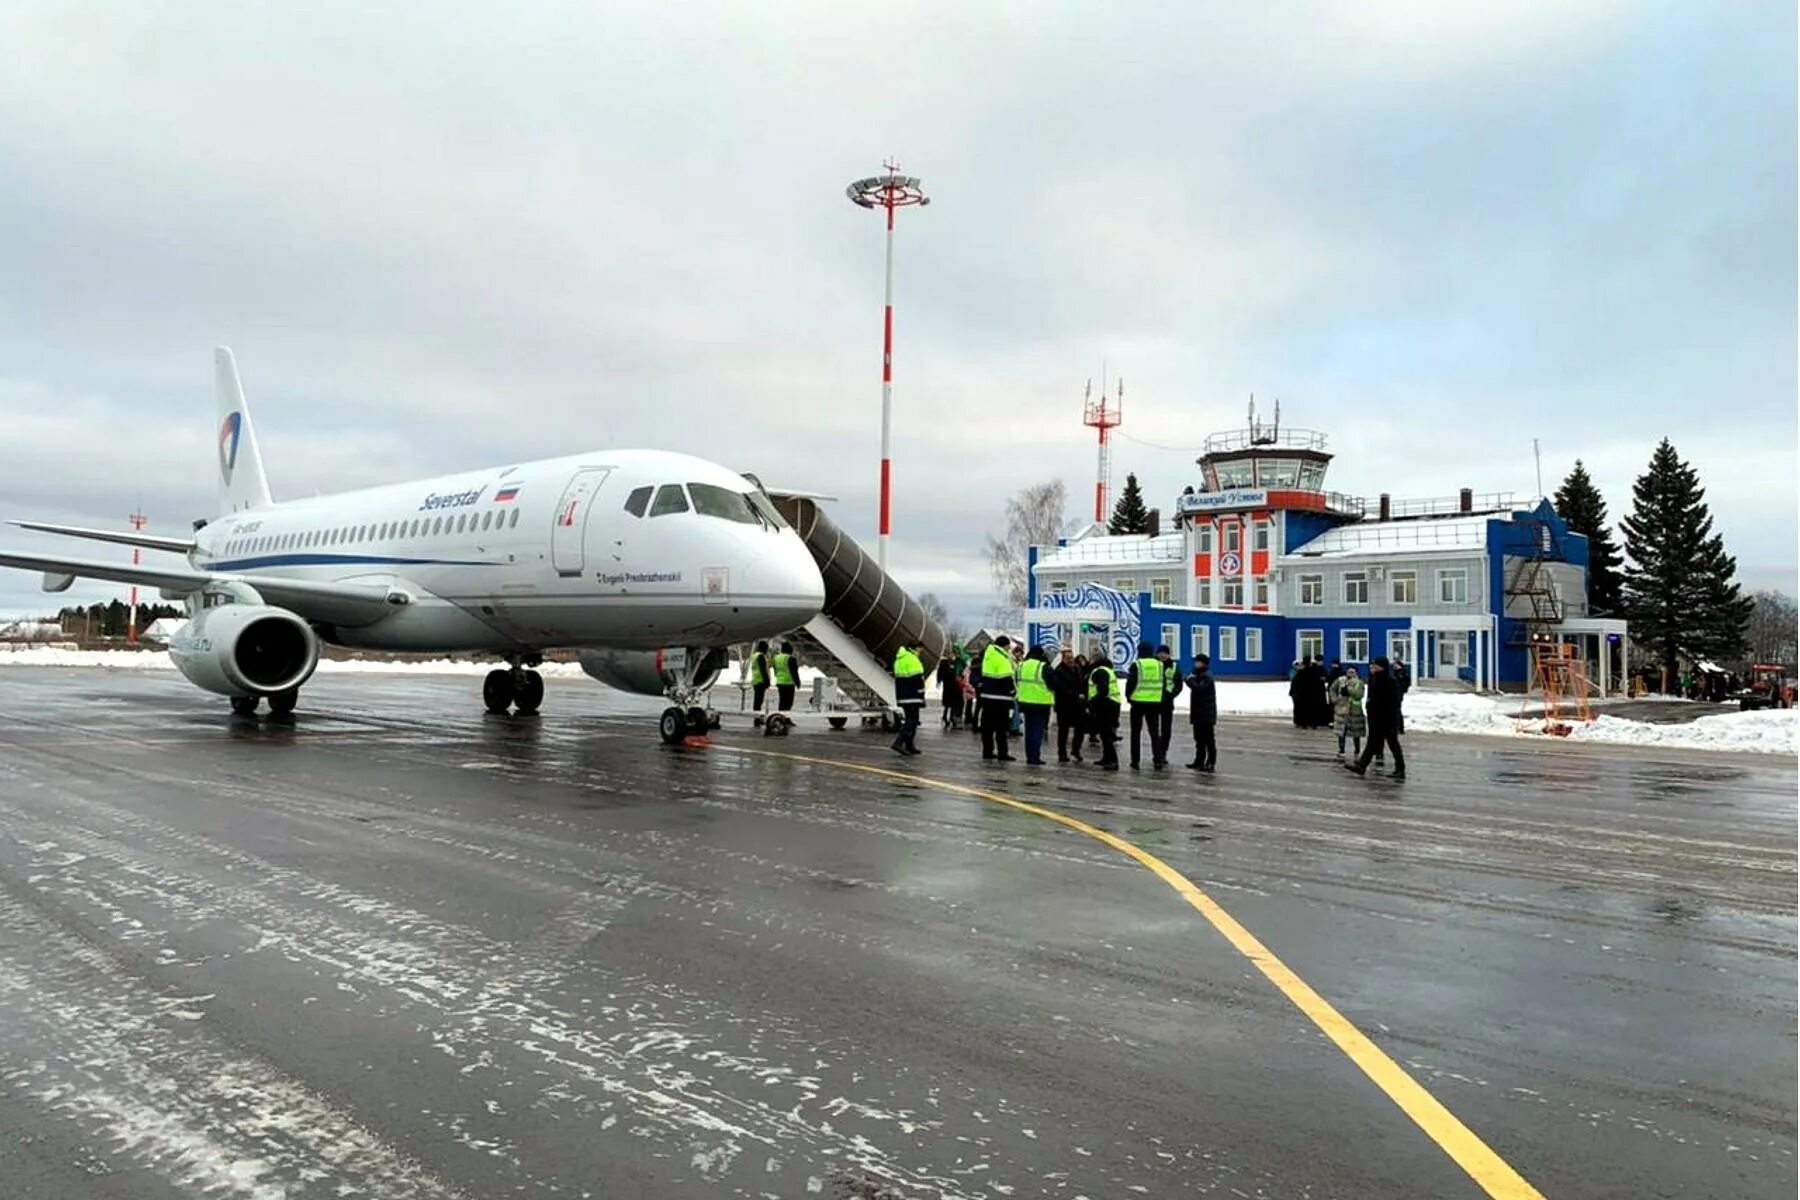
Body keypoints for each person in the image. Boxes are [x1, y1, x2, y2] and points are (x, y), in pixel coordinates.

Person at [1347, 656, 1406, 780]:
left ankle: (1400, 769)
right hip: (1375, 718)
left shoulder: (1390, 681)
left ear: (1382, 667)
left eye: (1376, 665)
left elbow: (1394, 702)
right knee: (1372, 742)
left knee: (1393, 744)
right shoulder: (1374, 678)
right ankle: (1362, 766)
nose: (1373, 667)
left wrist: (1391, 719)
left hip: (1387, 719)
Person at [1124, 641, 1164, 770]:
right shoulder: (1160, 665)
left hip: (1138, 703)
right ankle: (1158, 759)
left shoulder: (1137, 665)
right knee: (1154, 733)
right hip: (1154, 702)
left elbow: (1131, 683)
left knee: (1135, 733)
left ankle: (1135, 761)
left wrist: (1129, 697)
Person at [978, 635, 1018, 762]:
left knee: (987, 727)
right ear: (1005, 646)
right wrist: (1012, 692)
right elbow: (1006, 678)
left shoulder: (988, 656)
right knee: (1001, 727)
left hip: (987, 697)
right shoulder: (1001, 659)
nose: (1009, 650)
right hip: (1001, 698)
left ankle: (987, 751)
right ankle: (1003, 753)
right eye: (1008, 647)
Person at [1016, 645, 1055, 765]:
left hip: (1024, 701)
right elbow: (1052, 683)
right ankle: (1035, 757)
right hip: (1040, 702)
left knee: (1029, 730)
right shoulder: (1043, 666)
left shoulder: (1021, 665)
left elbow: (1017, 680)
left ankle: (1030, 756)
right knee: (1037, 731)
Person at [1050, 646, 1086, 763]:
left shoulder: (1078, 669)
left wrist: (1082, 695)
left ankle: (1076, 750)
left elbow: (1082, 684)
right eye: (1068, 658)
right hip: (1064, 705)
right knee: (1063, 730)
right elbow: (1060, 687)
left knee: (1080, 729)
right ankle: (1062, 753)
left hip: (1078, 705)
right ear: (1063, 658)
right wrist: (1076, 695)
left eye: (1071, 657)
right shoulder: (1059, 671)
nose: (1071, 660)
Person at [891, 640, 926, 756]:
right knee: (912, 721)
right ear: (915, 648)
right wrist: (921, 693)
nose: (921, 651)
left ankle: (910, 745)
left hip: (903, 695)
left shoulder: (899, 659)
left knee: (910, 719)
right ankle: (899, 742)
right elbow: (918, 679)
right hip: (913, 695)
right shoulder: (912, 659)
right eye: (920, 648)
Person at [1086, 656, 1122, 769]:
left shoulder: (1099, 671)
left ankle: (1113, 761)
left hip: (1105, 705)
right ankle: (1106, 758)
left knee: (1106, 734)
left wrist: (1092, 702)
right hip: (1112, 704)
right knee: (1105, 733)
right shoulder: (1108, 670)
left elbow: (1103, 690)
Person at [1187, 654, 1217, 772]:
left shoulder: (1207, 676)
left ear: (1203, 663)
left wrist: (1190, 680)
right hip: (1198, 712)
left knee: (1208, 740)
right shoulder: (1197, 674)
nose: (1195, 664)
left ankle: (1210, 762)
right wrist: (1190, 680)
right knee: (1199, 739)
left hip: (1206, 713)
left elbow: (1200, 689)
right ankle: (1199, 761)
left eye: (1197, 662)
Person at [1330, 664, 1367, 761]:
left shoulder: (1359, 682)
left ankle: (1357, 750)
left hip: (1355, 710)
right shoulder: (1340, 680)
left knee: (1356, 732)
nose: (1350, 674)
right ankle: (1341, 750)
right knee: (1342, 731)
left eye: (1352, 672)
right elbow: (1332, 689)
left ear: (1356, 673)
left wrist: (1348, 688)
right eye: (1349, 672)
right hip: (1342, 709)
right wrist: (1334, 699)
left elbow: (1359, 695)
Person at [1155, 644, 1182, 769]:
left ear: (1169, 654)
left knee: (1166, 730)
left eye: (1165, 653)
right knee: (1154, 730)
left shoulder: (1174, 666)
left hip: (1167, 702)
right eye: (1161, 653)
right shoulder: (1153, 665)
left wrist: (1172, 694)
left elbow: (1178, 684)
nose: (1162, 655)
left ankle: (1163, 753)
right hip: (1154, 701)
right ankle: (1157, 754)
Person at [936, 655, 965, 730]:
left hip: (950, 686)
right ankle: (949, 718)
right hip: (951, 686)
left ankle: (947, 717)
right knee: (951, 703)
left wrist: (939, 681)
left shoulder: (950, 663)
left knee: (950, 704)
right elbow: (944, 673)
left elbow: (940, 674)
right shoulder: (948, 663)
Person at [772, 642, 799, 712]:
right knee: (788, 703)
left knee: (782, 702)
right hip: (789, 683)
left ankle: (781, 718)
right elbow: (794, 672)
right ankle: (786, 718)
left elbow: (775, 670)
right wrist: (797, 682)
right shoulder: (791, 658)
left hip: (780, 683)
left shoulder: (776, 658)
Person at [748, 640, 771, 713]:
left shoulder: (755, 655)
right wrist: (767, 681)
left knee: (757, 701)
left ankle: (756, 715)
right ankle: (757, 717)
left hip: (756, 680)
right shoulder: (761, 656)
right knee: (759, 701)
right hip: (761, 681)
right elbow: (763, 669)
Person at [1289, 658, 1309, 727]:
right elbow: (1292, 678)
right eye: (1296, 665)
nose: (1297, 666)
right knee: (1297, 707)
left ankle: (1300, 720)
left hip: (1299, 692)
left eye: (1298, 665)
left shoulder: (1301, 672)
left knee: (1300, 707)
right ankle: (1296, 721)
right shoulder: (1293, 672)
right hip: (1294, 692)